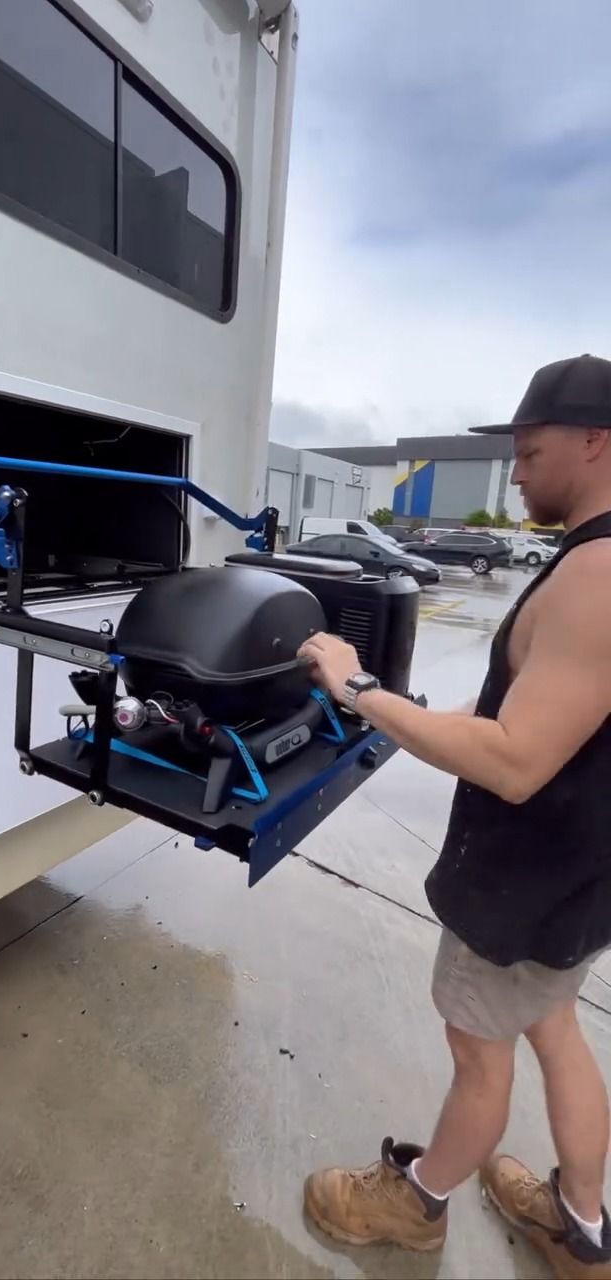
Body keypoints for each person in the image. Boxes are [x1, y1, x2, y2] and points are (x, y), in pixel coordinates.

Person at [299, 354, 611, 1279]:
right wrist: (419, 717)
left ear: (596, 442)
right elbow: (533, 714)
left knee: (480, 1060)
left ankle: (417, 1204)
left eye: (530, 451)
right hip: (578, 882)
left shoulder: (596, 576)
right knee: (556, 1030)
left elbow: (514, 760)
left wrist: (358, 689)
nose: (514, 473)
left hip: (521, 886)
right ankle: (582, 1226)